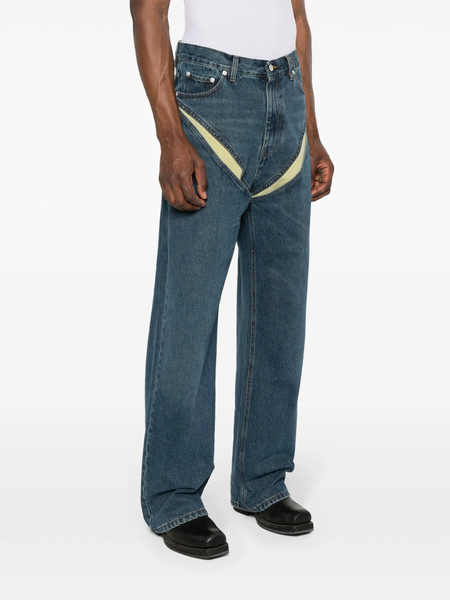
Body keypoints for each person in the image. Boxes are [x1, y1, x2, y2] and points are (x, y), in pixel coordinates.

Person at [129, 0, 334, 559]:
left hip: (286, 99)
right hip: (210, 100)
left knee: (280, 314)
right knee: (188, 315)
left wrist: (311, 130)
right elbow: (148, 10)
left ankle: (263, 479)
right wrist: (169, 137)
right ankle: (173, 494)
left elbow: (297, 17)